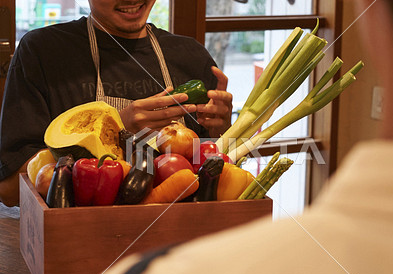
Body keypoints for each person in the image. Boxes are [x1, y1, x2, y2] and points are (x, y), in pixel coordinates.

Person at [81, 0, 393, 274]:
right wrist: (120, 123)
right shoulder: (44, 49)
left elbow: (208, 166)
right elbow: (21, 184)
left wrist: (220, 130)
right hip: (87, 241)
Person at [0, 0, 233, 207]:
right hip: (79, 239)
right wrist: (115, 132)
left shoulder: (191, 55)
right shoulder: (42, 52)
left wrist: (221, 133)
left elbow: (218, 176)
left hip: (183, 240)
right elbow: (9, 191)